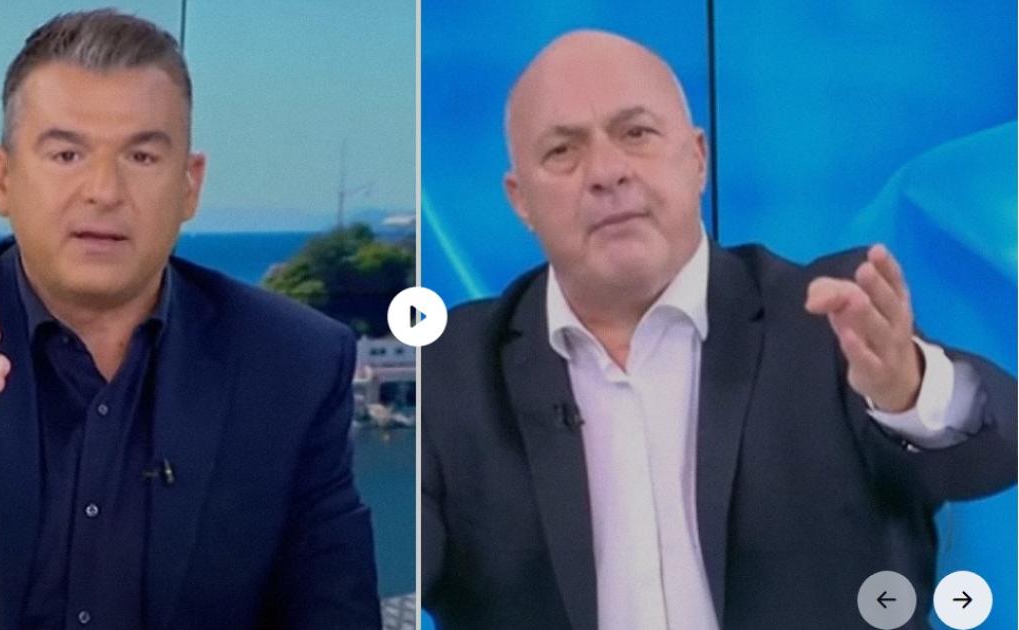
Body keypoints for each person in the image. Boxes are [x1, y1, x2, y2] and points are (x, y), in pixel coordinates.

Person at [421, 30, 1015, 629]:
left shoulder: (829, 323)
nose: (606, 172)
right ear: (520, 199)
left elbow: (997, 452)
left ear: (698, 158)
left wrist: (908, 390)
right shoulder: (451, 373)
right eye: (562, 151)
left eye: (636, 134)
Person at [0, 10, 378, 629]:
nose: (104, 191)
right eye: (66, 154)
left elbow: (335, 608)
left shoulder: (295, 362)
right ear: (2, 179)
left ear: (189, 185)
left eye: (141, 156)